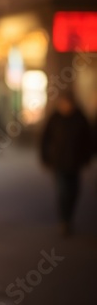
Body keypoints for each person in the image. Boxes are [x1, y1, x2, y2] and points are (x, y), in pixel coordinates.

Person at [40, 91, 92, 237]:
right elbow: (45, 139)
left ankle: (69, 217)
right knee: (62, 191)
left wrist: (87, 158)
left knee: (74, 191)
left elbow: (88, 139)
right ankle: (64, 220)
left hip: (75, 163)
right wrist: (45, 158)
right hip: (59, 162)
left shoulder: (80, 118)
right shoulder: (55, 118)